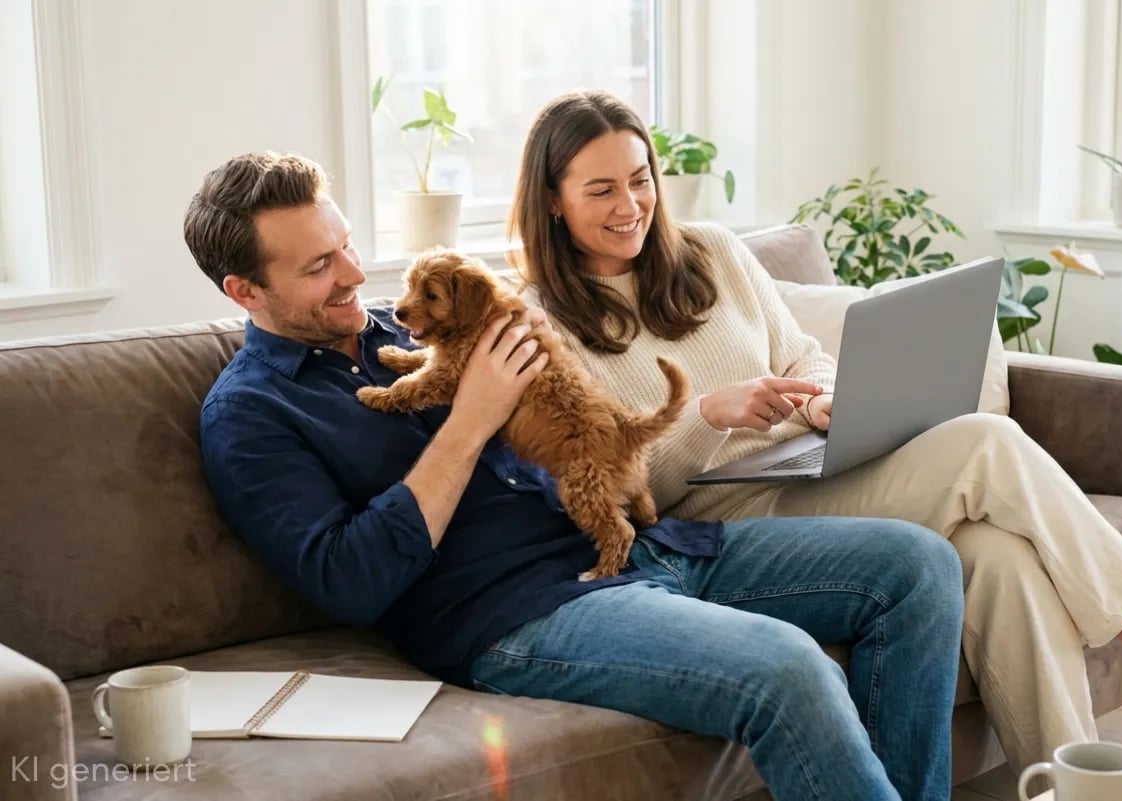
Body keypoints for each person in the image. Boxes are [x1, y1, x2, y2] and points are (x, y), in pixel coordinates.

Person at [185, 151, 965, 801]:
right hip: (520, 612)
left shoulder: (408, 328)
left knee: (917, 565)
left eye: (348, 243)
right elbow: (349, 578)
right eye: (320, 265)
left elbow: (578, 403)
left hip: (641, 544)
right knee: (787, 667)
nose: (356, 273)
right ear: (245, 291)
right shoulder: (249, 415)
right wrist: (469, 421)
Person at [509, 88, 1122, 775]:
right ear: (551, 200)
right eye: (600, 190)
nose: (630, 206)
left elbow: (803, 356)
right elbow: (618, 490)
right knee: (987, 444)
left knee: (1001, 558)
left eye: (639, 180)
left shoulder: (713, 252)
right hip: (723, 521)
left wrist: (820, 403)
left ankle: (1072, 788)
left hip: (811, 466)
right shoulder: (543, 323)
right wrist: (708, 417)